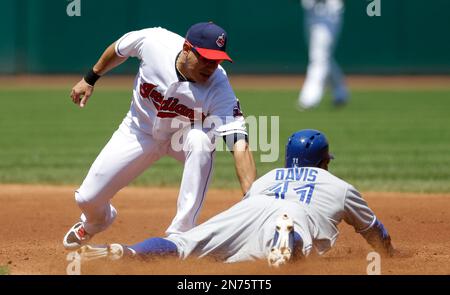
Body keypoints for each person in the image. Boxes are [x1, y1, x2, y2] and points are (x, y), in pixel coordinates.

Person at [63, 22, 257, 250]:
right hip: (138, 131)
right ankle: (97, 221)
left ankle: (181, 233)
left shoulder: (219, 86)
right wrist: (90, 78)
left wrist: (252, 200)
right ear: (187, 48)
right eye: (205, 58)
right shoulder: (155, 42)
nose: (210, 66)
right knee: (86, 198)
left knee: (201, 139)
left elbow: (239, 143)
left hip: (181, 138)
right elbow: (118, 49)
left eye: (216, 61)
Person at [77, 129, 395, 268]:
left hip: (251, 206)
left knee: (184, 245)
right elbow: (374, 231)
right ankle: (285, 241)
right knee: (290, 245)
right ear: (325, 162)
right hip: (293, 216)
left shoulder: (268, 179)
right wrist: (390, 254)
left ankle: (127, 251)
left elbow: (249, 202)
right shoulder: (338, 186)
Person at [298, 0, 349, 110]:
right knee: (323, 57)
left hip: (329, 15)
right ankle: (340, 90)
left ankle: (309, 98)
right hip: (311, 12)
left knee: (319, 57)